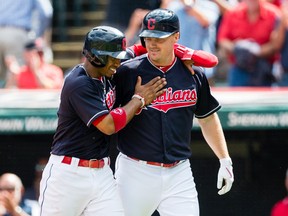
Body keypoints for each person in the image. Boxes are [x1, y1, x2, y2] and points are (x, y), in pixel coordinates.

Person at [113, 8, 234, 216]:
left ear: (176, 36)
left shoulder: (193, 73)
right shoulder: (127, 72)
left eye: (159, 37)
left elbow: (207, 118)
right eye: (148, 37)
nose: (152, 43)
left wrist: (224, 159)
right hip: (135, 170)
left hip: (179, 172)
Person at [38, 25, 167, 216]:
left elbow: (138, 49)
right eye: (113, 57)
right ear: (96, 56)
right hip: (67, 176)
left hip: (102, 173)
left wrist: (186, 55)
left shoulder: (109, 71)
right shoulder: (78, 83)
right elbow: (109, 125)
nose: (118, 62)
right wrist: (138, 100)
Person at [217, 0, 285, 86]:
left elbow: (276, 44)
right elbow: (222, 39)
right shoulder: (233, 13)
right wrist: (238, 48)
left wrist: (256, 51)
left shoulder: (274, 14)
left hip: (265, 69)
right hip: (239, 68)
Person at [0, 0, 53, 88]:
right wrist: (37, 35)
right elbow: (46, 12)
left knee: (7, 80)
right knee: (17, 78)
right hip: (17, 34)